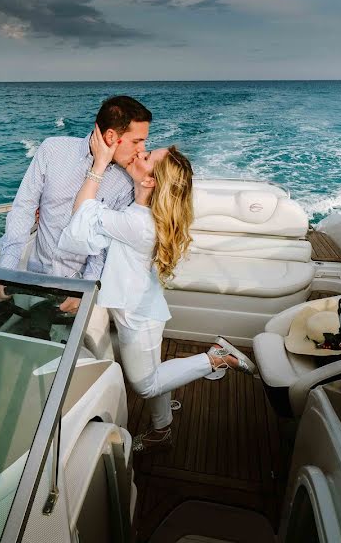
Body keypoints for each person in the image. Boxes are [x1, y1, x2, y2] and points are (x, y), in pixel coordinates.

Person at [58, 127, 257, 452]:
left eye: (147, 157)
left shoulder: (138, 224)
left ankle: (216, 359)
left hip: (138, 317)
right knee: (155, 372)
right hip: (142, 307)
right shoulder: (145, 212)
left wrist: (99, 163)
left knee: (145, 384)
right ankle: (162, 428)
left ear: (149, 182)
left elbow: (81, 215)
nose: (140, 152)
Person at [0, 96, 152, 314]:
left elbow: (103, 245)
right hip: (35, 275)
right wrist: (6, 269)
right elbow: (24, 207)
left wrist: (85, 289)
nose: (142, 150)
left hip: (77, 288)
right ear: (111, 136)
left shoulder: (126, 182)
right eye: (137, 141)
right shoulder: (52, 150)